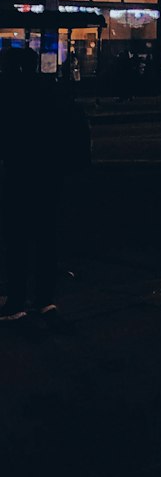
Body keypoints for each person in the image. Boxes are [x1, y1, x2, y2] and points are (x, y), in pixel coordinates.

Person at [0, 49, 91, 323]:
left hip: (19, 173)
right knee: (46, 238)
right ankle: (44, 299)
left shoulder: (10, 93)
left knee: (17, 240)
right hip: (50, 176)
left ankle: (16, 300)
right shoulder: (51, 91)